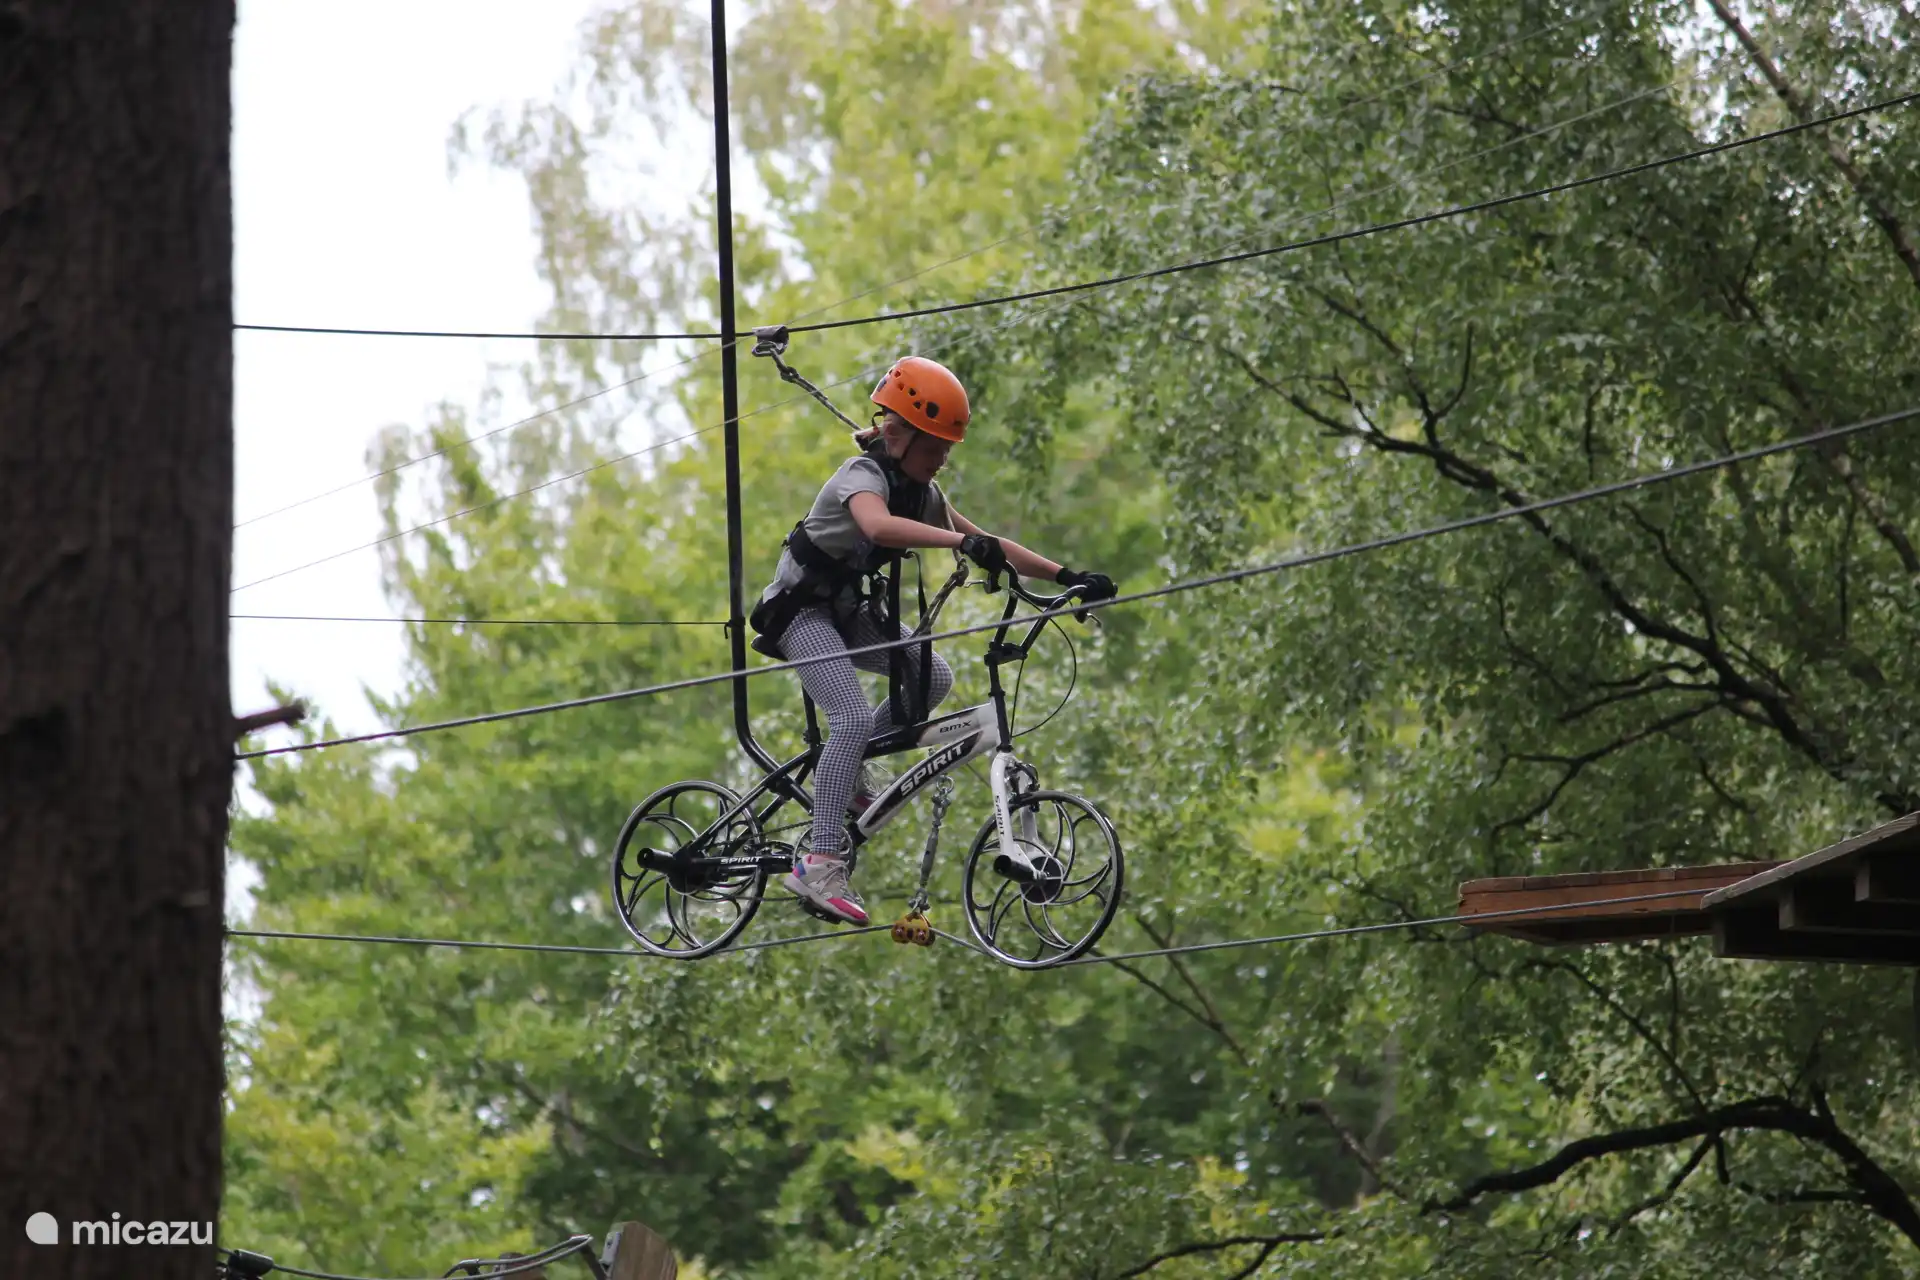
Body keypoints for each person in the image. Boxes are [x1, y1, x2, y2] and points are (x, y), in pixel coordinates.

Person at [749, 355, 1115, 925]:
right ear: (898, 435)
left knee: (932, 678)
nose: (942, 458)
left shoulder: (922, 493)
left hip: (845, 612)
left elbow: (990, 543)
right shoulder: (862, 476)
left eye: (947, 449)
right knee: (849, 718)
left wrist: (1067, 575)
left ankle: (845, 770)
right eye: (935, 447)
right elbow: (877, 526)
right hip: (799, 614)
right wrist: (959, 544)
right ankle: (819, 864)